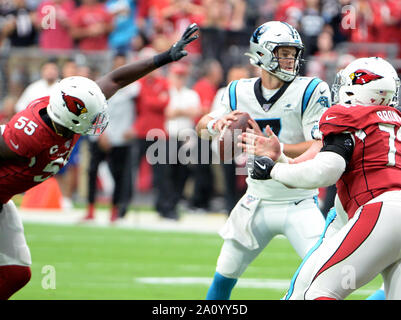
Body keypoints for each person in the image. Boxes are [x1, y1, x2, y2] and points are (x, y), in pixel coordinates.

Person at [0, 23, 199, 300]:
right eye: (91, 118)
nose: (96, 122)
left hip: (3, 198)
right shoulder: (28, 136)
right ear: (71, 117)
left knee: (16, 274)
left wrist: (164, 56)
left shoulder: (66, 113)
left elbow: (115, 80)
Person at [196, 21, 331, 300]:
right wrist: (216, 125)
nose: (291, 59)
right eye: (283, 52)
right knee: (222, 278)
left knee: (324, 274)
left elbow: (321, 144)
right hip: (255, 200)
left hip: (299, 200)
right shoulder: (236, 91)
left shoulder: (310, 89)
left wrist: (277, 148)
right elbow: (202, 125)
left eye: (293, 53)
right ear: (262, 53)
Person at [246, 57, 401, 300]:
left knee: (318, 292)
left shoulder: (349, 116)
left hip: (381, 210)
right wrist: (283, 161)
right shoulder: (391, 127)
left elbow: (326, 170)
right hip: (386, 212)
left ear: (357, 87)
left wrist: (273, 171)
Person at [84, 53, 138, 222]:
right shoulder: (103, 85)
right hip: (101, 136)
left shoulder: (134, 88)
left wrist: (135, 128)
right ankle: (90, 209)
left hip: (122, 136)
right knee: (92, 172)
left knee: (119, 175)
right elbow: (94, 110)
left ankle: (115, 210)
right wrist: (100, 133)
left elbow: (142, 110)